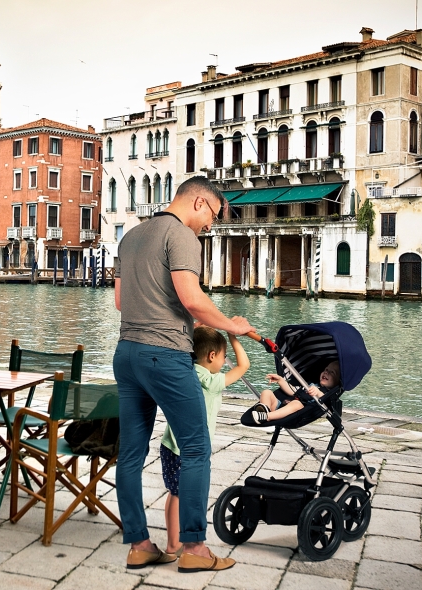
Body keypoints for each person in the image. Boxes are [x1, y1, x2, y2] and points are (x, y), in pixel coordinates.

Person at [113, 176, 255, 573]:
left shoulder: (132, 236)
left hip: (126, 354)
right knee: (196, 448)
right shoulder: (182, 237)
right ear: (198, 203)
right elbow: (192, 301)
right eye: (212, 215)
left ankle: (139, 545)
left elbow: (122, 302)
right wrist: (233, 326)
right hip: (164, 357)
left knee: (131, 454)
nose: (211, 225)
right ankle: (194, 548)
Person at [161, 326, 250, 556]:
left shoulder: (183, 370)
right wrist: (232, 336)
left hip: (170, 444)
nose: (223, 361)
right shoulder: (212, 381)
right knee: (184, 495)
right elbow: (243, 366)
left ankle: (173, 542)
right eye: (223, 356)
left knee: (174, 493)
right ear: (212, 356)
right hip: (190, 450)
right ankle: (177, 545)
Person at [251, 361, 340, 424]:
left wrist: (317, 392)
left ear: (337, 381)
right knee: (266, 392)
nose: (326, 373)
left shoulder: (328, 394)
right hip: (280, 406)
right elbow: (293, 390)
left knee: (297, 404)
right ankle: (264, 411)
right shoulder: (310, 384)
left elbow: (325, 399)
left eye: (332, 372)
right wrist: (280, 380)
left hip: (297, 414)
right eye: (326, 370)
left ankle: (267, 417)